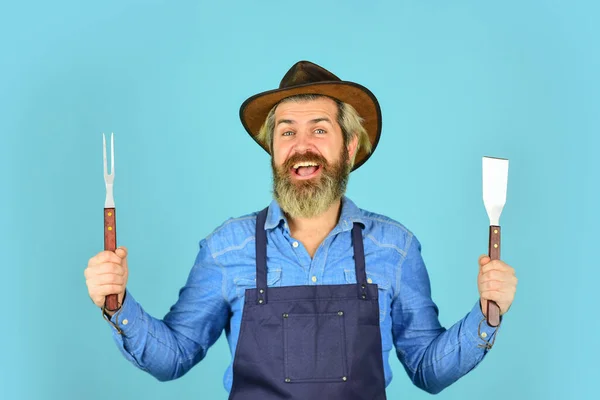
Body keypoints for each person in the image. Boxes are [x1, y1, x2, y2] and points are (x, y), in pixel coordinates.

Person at [85, 61, 518, 399]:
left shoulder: (395, 248)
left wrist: (486, 315)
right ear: (273, 150)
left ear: (349, 147)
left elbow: (427, 368)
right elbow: (174, 356)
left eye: (319, 129)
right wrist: (119, 304)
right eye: (287, 132)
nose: (301, 145)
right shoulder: (225, 249)